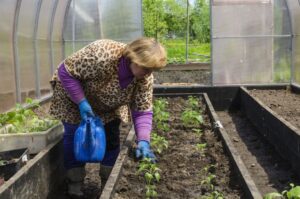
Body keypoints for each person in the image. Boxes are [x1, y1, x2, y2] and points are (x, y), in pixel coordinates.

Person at [49, 37, 167, 197]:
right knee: (75, 137)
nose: (149, 73)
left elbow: (142, 110)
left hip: (108, 105)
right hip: (74, 97)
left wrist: (144, 141)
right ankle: (74, 185)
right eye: (147, 68)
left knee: (111, 137)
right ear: (135, 59)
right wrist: (82, 102)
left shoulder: (144, 78)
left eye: (152, 70)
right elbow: (66, 71)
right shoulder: (102, 54)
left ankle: (107, 184)